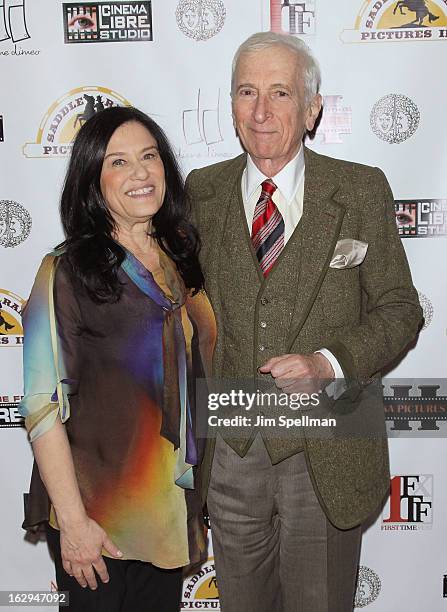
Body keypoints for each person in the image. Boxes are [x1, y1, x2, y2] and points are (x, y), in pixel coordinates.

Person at [185, 32, 422, 612]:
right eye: (247, 92)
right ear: (232, 104)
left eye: (280, 93)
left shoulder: (361, 188)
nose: (261, 111)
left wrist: (329, 363)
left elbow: (400, 308)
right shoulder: (200, 190)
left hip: (329, 445)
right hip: (231, 447)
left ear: (313, 108)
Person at [19, 106, 216, 612]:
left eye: (149, 156)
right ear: (92, 181)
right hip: (99, 524)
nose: (140, 173)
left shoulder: (182, 261)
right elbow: (42, 407)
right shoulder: (64, 272)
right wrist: (76, 524)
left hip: (168, 517)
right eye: (118, 162)